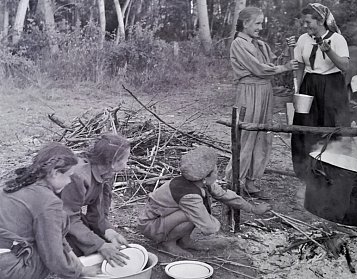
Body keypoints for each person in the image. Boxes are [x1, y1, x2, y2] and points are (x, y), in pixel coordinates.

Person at [138, 146, 271, 258]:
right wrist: (223, 235)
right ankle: (168, 243)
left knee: (195, 213)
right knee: (192, 214)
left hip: (164, 220)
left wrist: (252, 209)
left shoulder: (200, 181)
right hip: (151, 226)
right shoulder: (189, 195)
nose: (217, 171)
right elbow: (208, 227)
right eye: (215, 170)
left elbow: (224, 195)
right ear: (205, 177)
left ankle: (185, 241)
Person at [225, 6, 298, 199]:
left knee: (262, 136)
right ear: (245, 23)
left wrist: (289, 48)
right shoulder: (239, 44)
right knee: (247, 135)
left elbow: (273, 63)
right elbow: (258, 68)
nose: (260, 27)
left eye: (261, 23)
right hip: (249, 91)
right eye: (257, 23)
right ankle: (235, 182)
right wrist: (285, 67)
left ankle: (251, 181)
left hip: (265, 91)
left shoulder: (260, 44)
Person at [0, 143, 96, 279]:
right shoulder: (49, 202)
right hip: (8, 268)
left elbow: (57, 237)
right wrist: (78, 272)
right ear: (55, 173)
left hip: (5, 252)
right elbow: (53, 255)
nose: (69, 181)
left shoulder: (15, 184)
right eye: (69, 175)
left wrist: (74, 259)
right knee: (48, 255)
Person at [291, 3, 350, 180]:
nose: (305, 26)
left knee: (329, 127)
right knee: (304, 127)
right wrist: (297, 90)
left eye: (308, 22)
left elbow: (345, 66)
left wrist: (329, 51)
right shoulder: (303, 39)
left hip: (332, 87)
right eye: (304, 22)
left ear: (320, 20)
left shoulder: (338, 39)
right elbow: (300, 65)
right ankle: (305, 173)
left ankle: (329, 173)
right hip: (309, 85)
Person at [61, 133, 131, 266]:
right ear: (112, 162)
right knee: (78, 253)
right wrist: (100, 245)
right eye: (125, 160)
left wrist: (108, 231)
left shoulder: (106, 173)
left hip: (65, 215)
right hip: (48, 218)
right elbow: (67, 216)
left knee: (97, 245)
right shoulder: (79, 176)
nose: (126, 165)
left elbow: (98, 211)